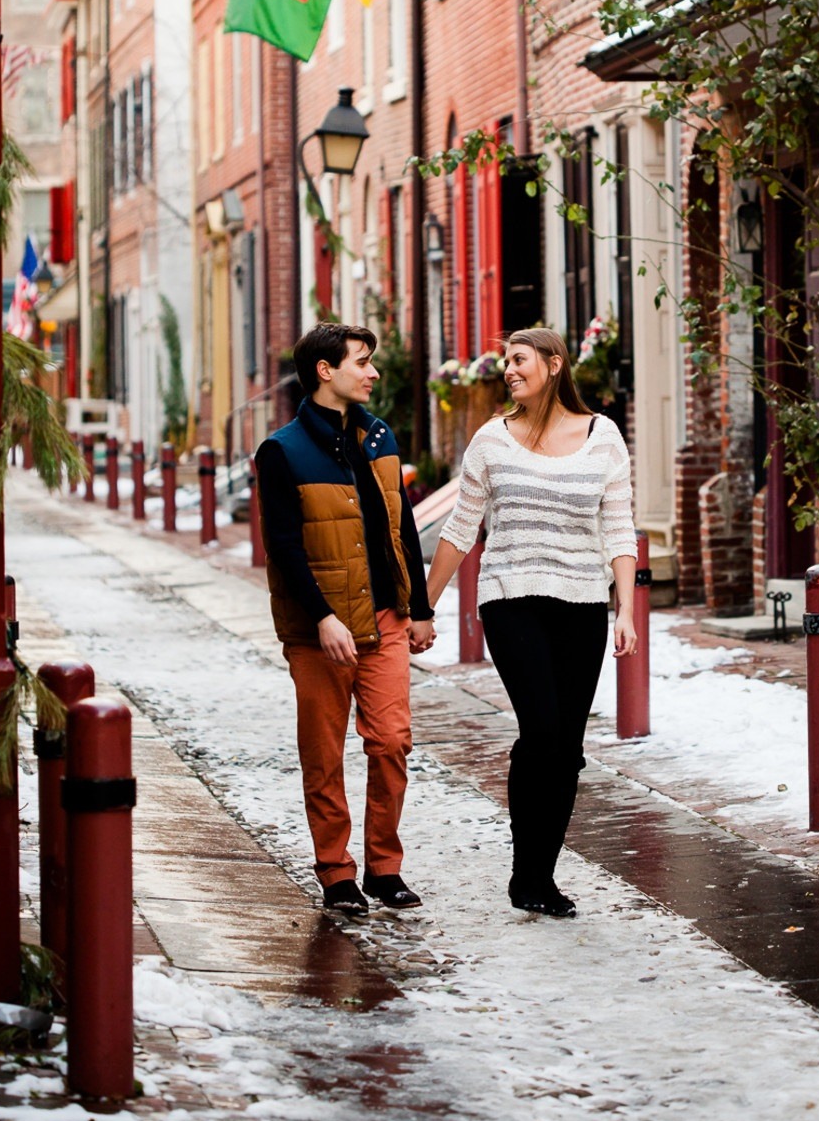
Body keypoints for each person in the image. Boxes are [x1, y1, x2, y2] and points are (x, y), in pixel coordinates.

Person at [425, 327, 638, 918]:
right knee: (541, 731)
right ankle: (526, 874)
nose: (509, 371)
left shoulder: (604, 438)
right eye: (505, 362)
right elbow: (460, 529)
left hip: (582, 603)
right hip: (511, 597)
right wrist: (424, 606)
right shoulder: (492, 440)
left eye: (518, 360)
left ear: (553, 363)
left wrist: (625, 608)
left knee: (567, 748)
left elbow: (619, 527)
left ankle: (540, 878)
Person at [255, 322, 436, 916]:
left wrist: (419, 609)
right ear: (326, 370)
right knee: (324, 753)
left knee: (391, 743)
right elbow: (282, 545)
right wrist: (323, 617)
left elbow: (401, 525)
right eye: (362, 361)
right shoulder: (282, 450)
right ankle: (336, 872)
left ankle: (385, 868)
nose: (374, 372)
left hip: (384, 619)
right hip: (320, 633)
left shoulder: (379, 437)